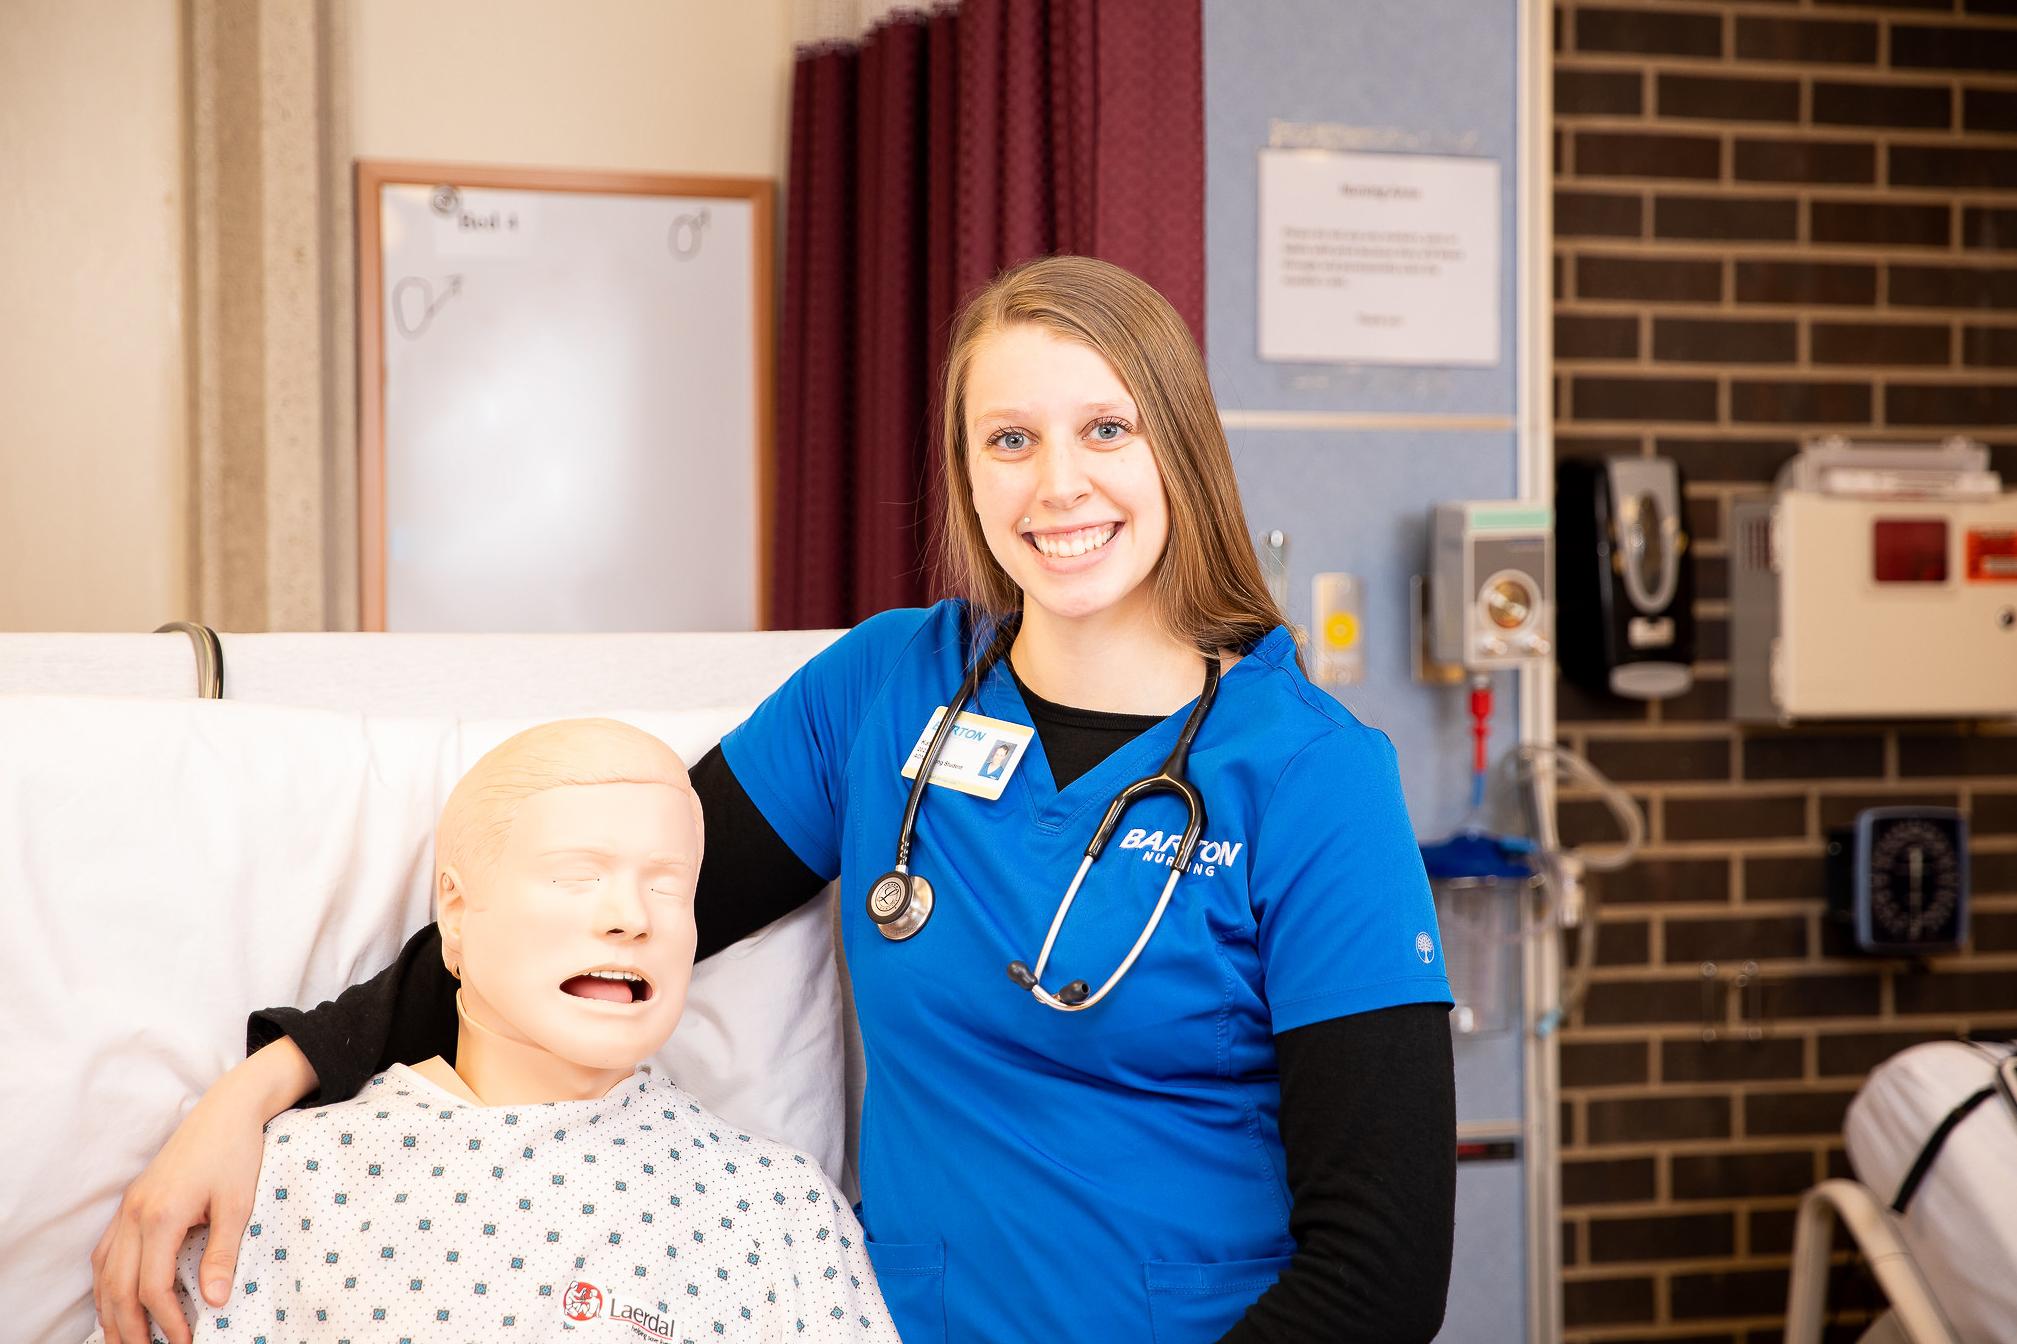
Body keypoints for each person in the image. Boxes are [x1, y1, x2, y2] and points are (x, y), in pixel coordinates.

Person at [92, 256, 1457, 1344]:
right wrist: (264, 1086)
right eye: (1008, 439)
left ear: (1180, 453)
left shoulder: (1309, 773)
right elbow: (582, 917)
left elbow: (1383, 1262)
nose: (1059, 485)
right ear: (967, 473)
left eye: (1106, 429)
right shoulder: (882, 694)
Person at [88, 719, 897, 1343]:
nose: (629, 919)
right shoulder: (279, 1187)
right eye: (578, 877)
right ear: (456, 909)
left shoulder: (773, 1209)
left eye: (669, 887)